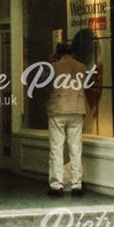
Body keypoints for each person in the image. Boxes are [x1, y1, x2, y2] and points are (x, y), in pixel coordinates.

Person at [47, 43, 87, 197]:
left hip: (58, 110)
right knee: (75, 148)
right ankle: (77, 184)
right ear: (71, 52)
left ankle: (57, 185)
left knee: (56, 148)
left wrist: (51, 61)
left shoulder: (54, 67)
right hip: (77, 109)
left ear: (58, 53)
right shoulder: (81, 67)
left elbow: (47, 86)